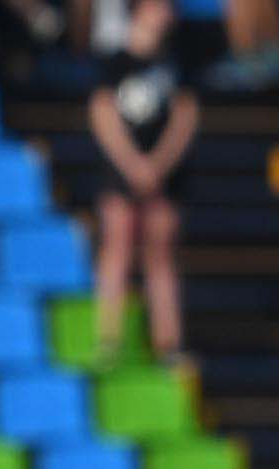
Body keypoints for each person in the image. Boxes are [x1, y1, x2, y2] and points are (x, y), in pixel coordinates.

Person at [92, 0, 197, 368]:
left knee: (161, 253)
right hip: (123, 166)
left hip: (163, 171)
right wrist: (132, 164)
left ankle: (168, 342)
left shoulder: (177, 62)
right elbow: (102, 113)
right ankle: (109, 338)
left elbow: (185, 116)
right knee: (117, 247)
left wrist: (158, 164)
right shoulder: (113, 61)